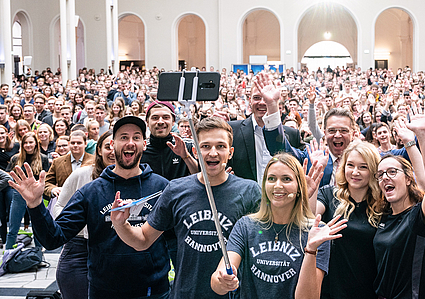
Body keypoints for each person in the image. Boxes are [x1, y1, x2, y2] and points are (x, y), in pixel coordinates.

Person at [7, 116, 171, 298]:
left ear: (144, 144)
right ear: (113, 143)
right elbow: (53, 238)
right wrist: (35, 205)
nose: (130, 143)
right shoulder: (91, 192)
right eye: (123, 137)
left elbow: (175, 241)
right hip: (104, 290)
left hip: (154, 290)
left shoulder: (162, 188)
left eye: (136, 137)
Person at [111, 117, 261, 298]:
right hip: (186, 293)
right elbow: (143, 239)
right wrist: (121, 224)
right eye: (205, 146)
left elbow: (262, 239)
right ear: (195, 151)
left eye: (220, 146)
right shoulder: (176, 189)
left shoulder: (250, 190)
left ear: (230, 152)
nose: (213, 153)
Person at [211, 153, 343, 298]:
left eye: (286, 179)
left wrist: (311, 250)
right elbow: (217, 283)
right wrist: (223, 280)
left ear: (300, 186)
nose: (278, 185)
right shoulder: (246, 226)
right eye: (271, 179)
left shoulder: (316, 232)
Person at [372, 110, 425, 299]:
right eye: (380, 175)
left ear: (407, 179)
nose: (385, 177)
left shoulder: (418, 218)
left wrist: (420, 137)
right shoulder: (382, 217)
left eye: (392, 172)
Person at [52, 131, 114, 299]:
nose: (113, 151)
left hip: (113, 249)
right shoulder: (82, 174)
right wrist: (76, 224)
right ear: (99, 150)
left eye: (117, 146)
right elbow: (60, 206)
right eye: (108, 146)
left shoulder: (130, 178)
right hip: (79, 248)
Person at [316, 141, 382, 299]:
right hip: (331, 290)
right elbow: (311, 219)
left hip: (369, 291)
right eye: (350, 165)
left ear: (373, 171)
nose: (355, 172)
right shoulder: (329, 195)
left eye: (363, 167)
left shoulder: (383, 205)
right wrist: (310, 190)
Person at [227, 77, 303, 183]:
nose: (262, 102)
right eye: (257, 98)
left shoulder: (292, 134)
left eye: (266, 98)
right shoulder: (232, 130)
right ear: (250, 100)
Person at [5, 132, 51, 249]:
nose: (28, 145)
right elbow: (7, 173)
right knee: (13, 228)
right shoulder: (16, 158)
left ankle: (38, 255)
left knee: (38, 228)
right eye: (25, 143)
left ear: (36, 143)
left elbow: (47, 177)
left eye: (31, 142)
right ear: (22, 144)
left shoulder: (43, 158)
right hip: (19, 194)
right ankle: (8, 257)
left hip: (36, 196)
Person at [43, 130, 95, 199]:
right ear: (69, 143)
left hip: (89, 201)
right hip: (65, 203)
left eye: (79, 143)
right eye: (73, 143)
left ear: (85, 144)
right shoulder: (58, 162)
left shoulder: (94, 161)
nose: (75, 145)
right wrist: (53, 189)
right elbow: (47, 183)